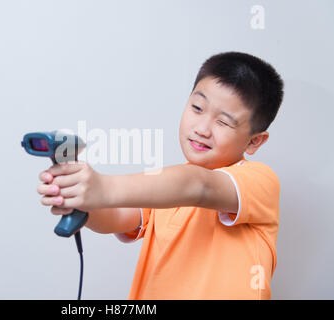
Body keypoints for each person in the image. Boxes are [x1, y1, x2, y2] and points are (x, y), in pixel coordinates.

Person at [36, 51, 284, 299]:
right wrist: (82, 200)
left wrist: (102, 187)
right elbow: (117, 215)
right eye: (197, 108)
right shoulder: (164, 187)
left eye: (224, 122)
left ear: (254, 141)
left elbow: (199, 186)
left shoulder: (259, 180)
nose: (202, 129)